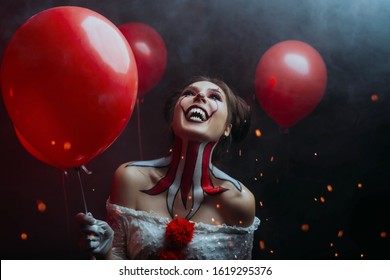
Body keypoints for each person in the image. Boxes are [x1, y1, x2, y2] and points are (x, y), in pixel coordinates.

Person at [77, 77, 260, 259]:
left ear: (227, 128)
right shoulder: (130, 178)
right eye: (189, 93)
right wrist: (106, 253)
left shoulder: (239, 201)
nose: (200, 97)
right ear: (173, 120)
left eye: (215, 97)